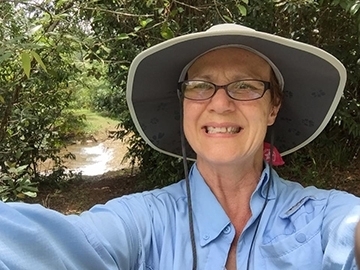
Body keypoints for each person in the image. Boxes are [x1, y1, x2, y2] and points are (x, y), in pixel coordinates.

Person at [0, 23, 359, 270]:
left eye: (246, 86)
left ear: (273, 107)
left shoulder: (321, 215)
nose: (219, 104)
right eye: (200, 85)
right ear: (184, 103)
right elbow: (60, 243)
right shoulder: (143, 221)